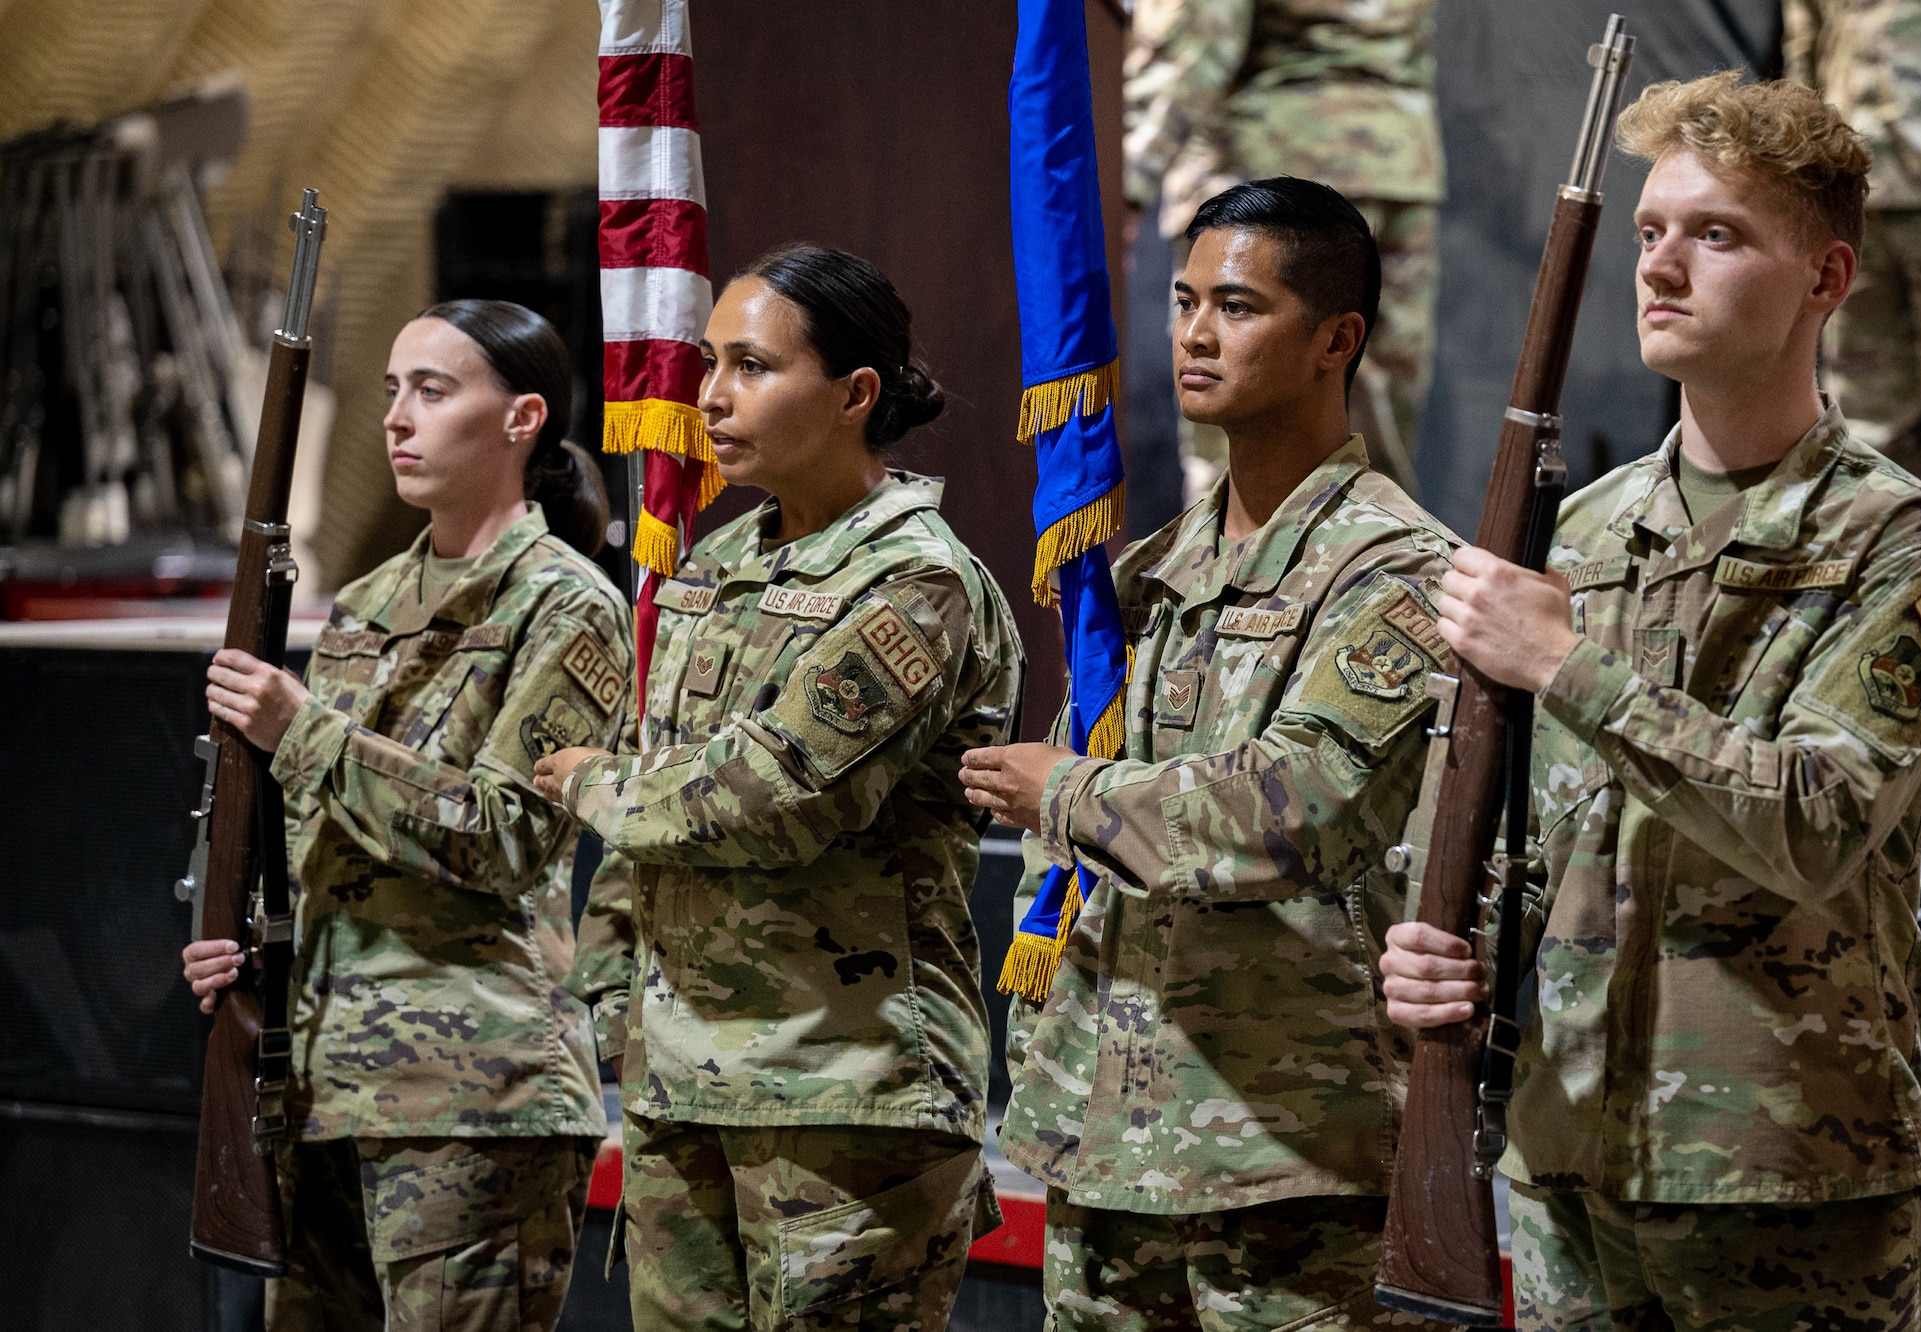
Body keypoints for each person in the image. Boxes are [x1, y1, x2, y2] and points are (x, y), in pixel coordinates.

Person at [1380, 73, 1921, 1330]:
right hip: (1567, 1171)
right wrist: (1430, 939)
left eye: (1715, 235)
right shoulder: (1583, 532)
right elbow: (1517, 824)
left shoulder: (1900, 546)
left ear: (1824, 281)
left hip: (1783, 1177)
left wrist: (1570, 665)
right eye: (1650, 232)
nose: (1661, 268)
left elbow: (1815, 823)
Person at [960, 178, 1460, 1332]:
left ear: (1336, 339)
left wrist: (1071, 793)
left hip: (1284, 1149)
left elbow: (1303, 806)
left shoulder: (1395, 572)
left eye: (1236, 306)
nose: (1192, 333)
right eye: (1183, 300)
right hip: (1111, 1134)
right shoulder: (1147, 572)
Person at [532, 244, 1024, 1332]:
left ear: (853, 394)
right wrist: (616, 1011)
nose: (709, 396)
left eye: (750, 365)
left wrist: (598, 787)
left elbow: (773, 799)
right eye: (711, 363)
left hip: (844, 1091)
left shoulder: (915, 578)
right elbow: (662, 802)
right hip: (683, 1078)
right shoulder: (716, 563)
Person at [181, 300, 633, 1328]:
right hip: (327, 1081)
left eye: (432, 391)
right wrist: (247, 946)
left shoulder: (562, 604)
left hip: (477, 1097)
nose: (397, 417)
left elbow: (506, 834)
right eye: (392, 391)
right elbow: (323, 835)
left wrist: (307, 731)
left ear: (520, 419)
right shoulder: (367, 602)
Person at [1125, 0, 1443, 499]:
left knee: (1231, 426)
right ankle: (1384, 570)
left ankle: (1225, 574)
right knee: (1370, 435)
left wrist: (1126, 182)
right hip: (1396, 165)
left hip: (1264, 176)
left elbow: (1197, 39)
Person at [1787, 0, 1921, 551]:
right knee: (1866, 432)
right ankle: (1891, 612)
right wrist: (1801, 154)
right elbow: (1805, 25)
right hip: (1854, 178)